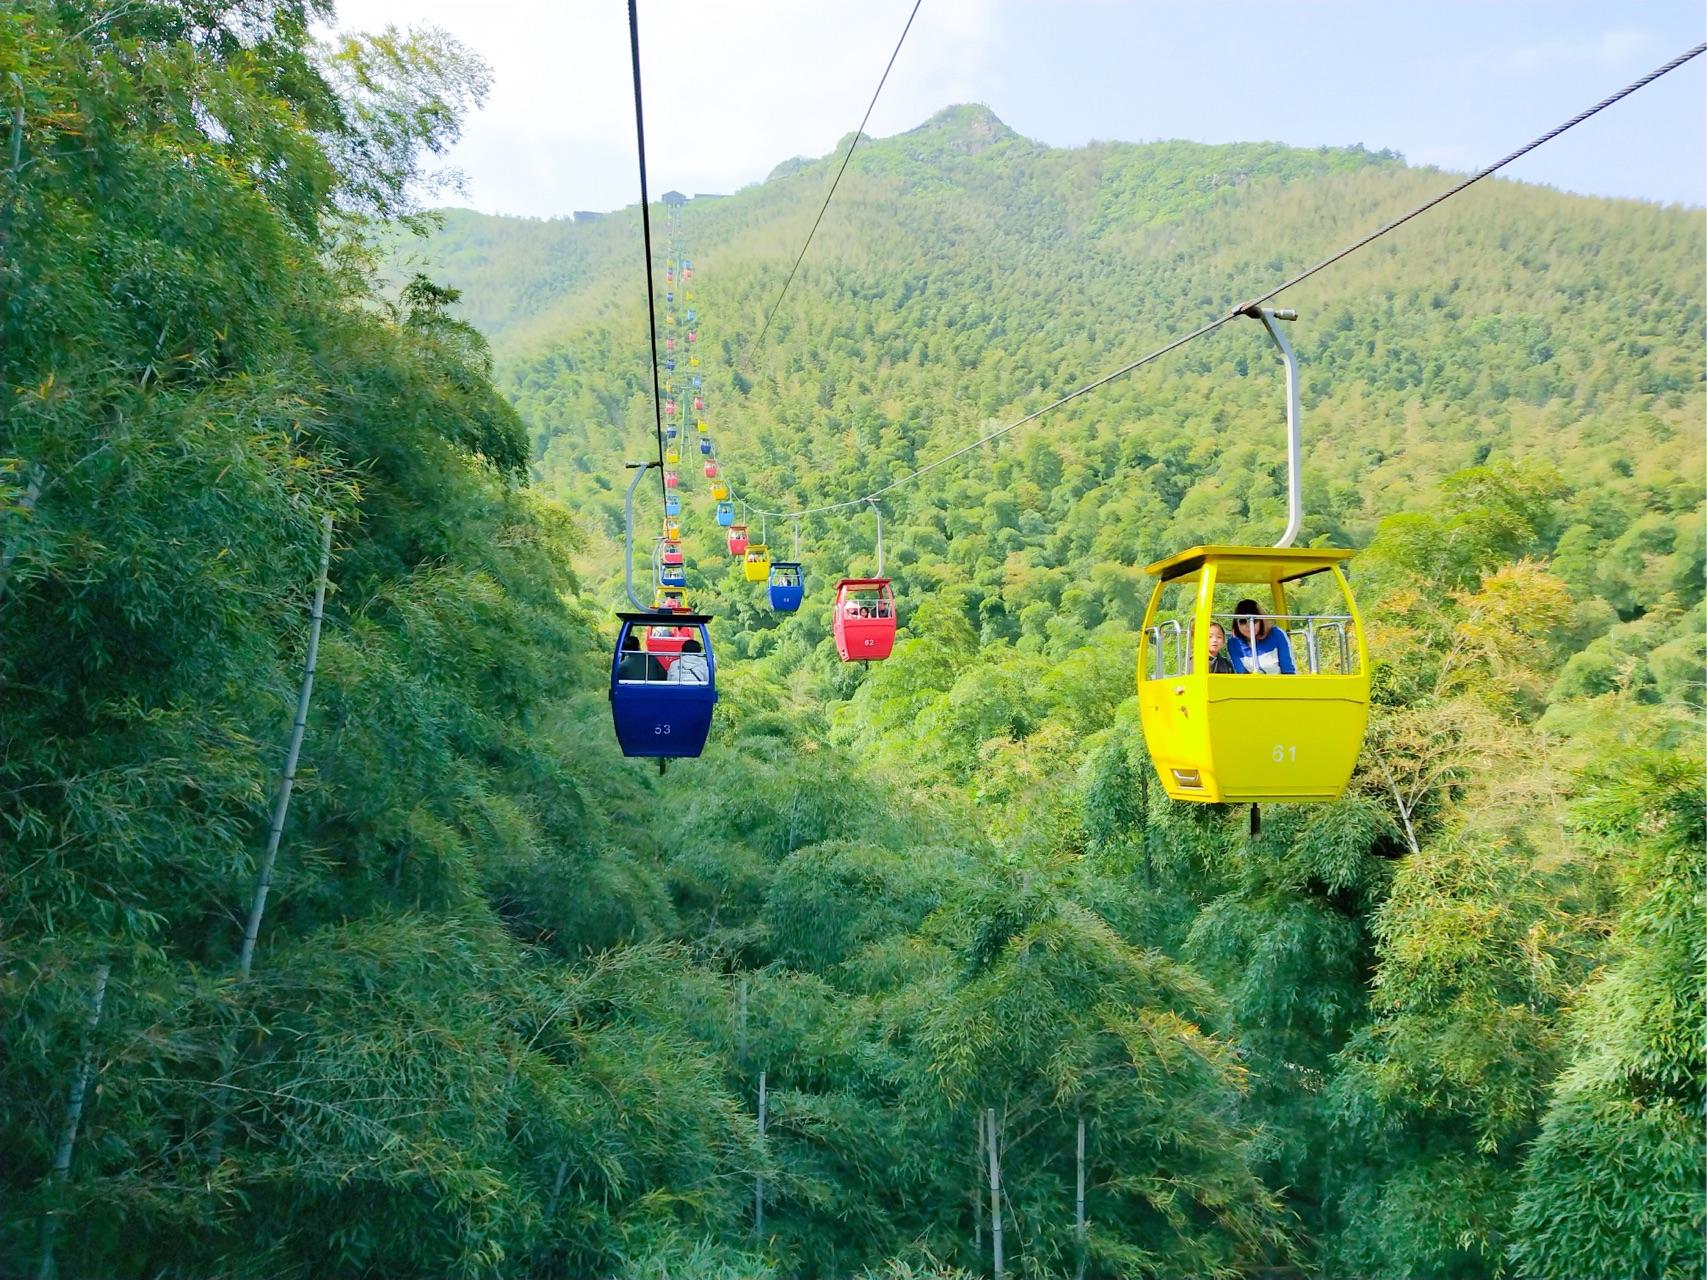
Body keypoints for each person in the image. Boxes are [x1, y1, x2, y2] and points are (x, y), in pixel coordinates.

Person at [1227, 599, 1296, 674]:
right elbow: (1241, 674)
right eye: (1242, 621)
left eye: (1254, 621)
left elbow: (1288, 670)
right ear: (1236, 623)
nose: (1249, 625)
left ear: (1261, 621)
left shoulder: (1277, 635)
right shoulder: (1234, 643)